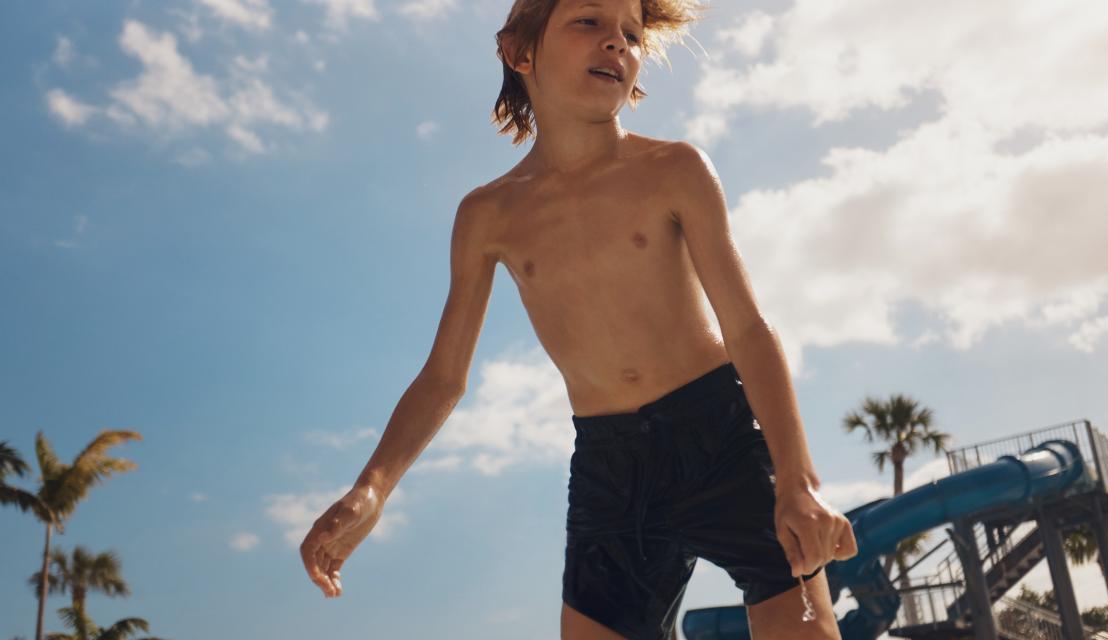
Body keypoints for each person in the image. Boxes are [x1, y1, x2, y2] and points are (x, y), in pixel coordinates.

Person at [300, 0, 858, 637]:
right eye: (589, 21)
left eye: (631, 33)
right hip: (608, 468)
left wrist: (798, 478)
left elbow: (748, 328)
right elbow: (444, 378)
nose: (617, 44)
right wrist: (371, 489)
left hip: (720, 436)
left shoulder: (673, 169)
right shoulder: (488, 215)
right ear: (520, 51)